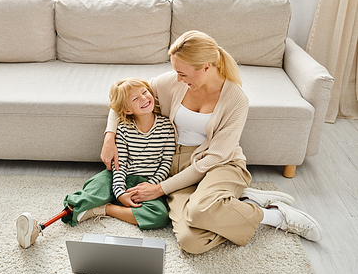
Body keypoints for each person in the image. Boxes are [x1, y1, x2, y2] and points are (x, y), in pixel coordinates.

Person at [101, 31, 322, 254]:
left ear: (206, 67)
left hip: (220, 164)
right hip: (179, 167)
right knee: (191, 242)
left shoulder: (236, 99)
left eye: (182, 73)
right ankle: (233, 203)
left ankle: (274, 215)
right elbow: (122, 96)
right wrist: (110, 136)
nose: (177, 78)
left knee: (198, 211)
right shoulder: (174, 82)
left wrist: (160, 189)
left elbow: (213, 158)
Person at [16, 77, 176, 249]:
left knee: (160, 215)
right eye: (135, 99)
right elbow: (119, 165)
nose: (144, 98)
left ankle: (104, 209)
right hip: (119, 174)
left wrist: (148, 187)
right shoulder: (122, 128)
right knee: (93, 189)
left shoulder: (167, 127)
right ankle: (37, 229)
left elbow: (165, 163)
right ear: (127, 110)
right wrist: (120, 191)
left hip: (147, 182)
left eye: (145, 92)